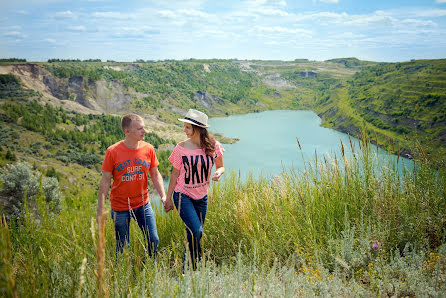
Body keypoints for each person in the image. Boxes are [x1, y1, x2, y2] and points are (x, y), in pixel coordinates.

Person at [97, 113, 166, 256]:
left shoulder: (148, 149)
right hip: (120, 207)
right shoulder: (112, 151)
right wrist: (101, 207)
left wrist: (163, 196)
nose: (144, 131)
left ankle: (151, 270)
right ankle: (124, 275)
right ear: (127, 131)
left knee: (153, 239)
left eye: (144, 128)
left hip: (143, 204)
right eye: (140, 129)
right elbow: (105, 181)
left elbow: (155, 174)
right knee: (123, 247)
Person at [164, 109, 225, 270]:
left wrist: (218, 173)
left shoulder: (213, 146)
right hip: (182, 195)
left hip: (202, 197)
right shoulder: (180, 148)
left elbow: (221, 167)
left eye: (187, 127)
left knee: (194, 235)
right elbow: (175, 173)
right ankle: (190, 269)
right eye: (184, 127)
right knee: (196, 231)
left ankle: (191, 270)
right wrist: (168, 197)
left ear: (198, 128)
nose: (184, 131)